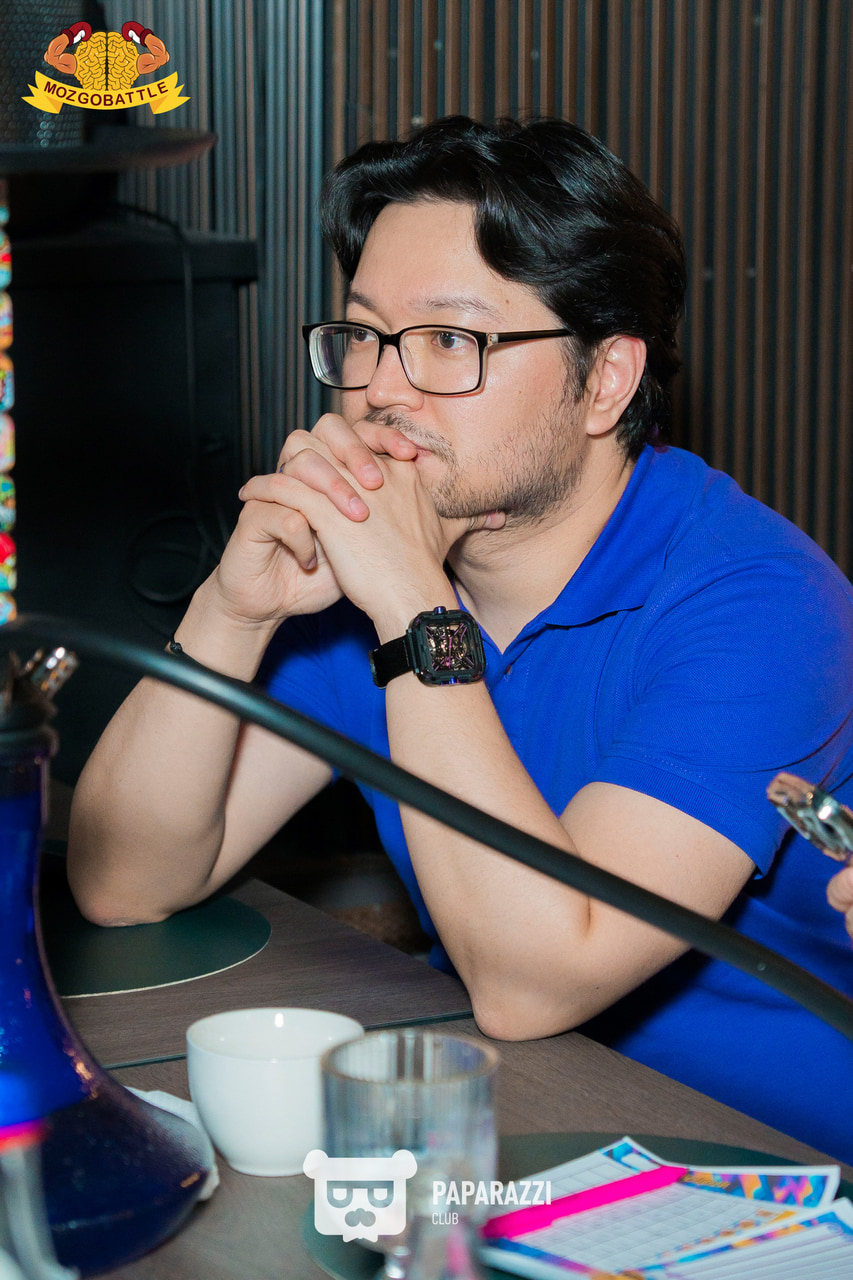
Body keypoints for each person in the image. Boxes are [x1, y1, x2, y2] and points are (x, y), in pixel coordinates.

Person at [67, 116, 853, 1163]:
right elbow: (123, 882)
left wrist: (410, 603)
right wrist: (232, 609)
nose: (380, 390)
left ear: (605, 380)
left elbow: (535, 981)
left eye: (449, 340)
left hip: (774, 1168)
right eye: (363, 335)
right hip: (515, 1114)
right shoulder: (368, 584)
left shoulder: (762, 602)